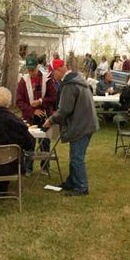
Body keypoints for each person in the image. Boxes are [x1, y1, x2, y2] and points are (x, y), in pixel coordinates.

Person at [43, 58, 99, 196]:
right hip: (86, 123)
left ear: (58, 70)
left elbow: (64, 110)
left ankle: (81, 187)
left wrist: (50, 121)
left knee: (77, 158)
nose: (54, 77)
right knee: (75, 155)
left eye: (53, 73)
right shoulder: (77, 80)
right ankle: (71, 182)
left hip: (81, 125)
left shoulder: (69, 85)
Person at [15, 54, 57, 176]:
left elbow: (53, 97)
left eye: (33, 69)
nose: (31, 72)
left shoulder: (46, 79)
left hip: (45, 115)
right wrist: (32, 110)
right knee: (29, 141)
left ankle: (45, 167)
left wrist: (40, 101)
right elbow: (19, 101)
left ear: (37, 67)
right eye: (28, 69)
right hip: (29, 116)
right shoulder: (23, 81)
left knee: (45, 141)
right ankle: (28, 168)